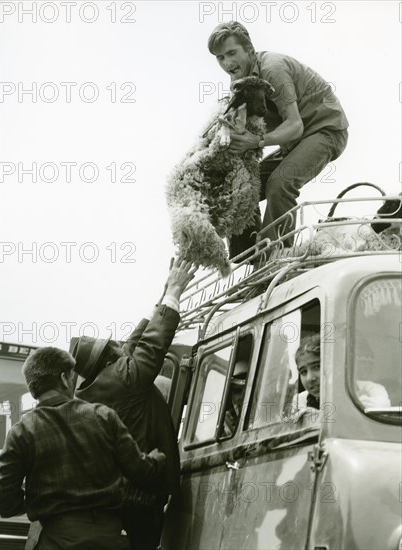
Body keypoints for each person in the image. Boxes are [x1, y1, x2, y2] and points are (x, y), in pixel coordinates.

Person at [70, 258, 197, 550]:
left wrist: (165, 293)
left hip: (120, 493)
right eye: (111, 347)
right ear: (107, 359)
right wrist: (175, 292)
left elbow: (134, 343)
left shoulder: (103, 382)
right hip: (139, 495)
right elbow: (152, 346)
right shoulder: (124, 377)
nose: (118, 346)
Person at [0, 346, 166, 550]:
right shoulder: (103, 416)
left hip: (55, 540)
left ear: (33, 388)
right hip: (108, 539)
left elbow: (5, 504)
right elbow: (141, 472)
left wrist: (41, 501)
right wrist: (156, 459)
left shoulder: (21, 432)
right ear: (64, 378)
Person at [207, 21, 349, 256]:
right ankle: (250, 255)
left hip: (324, 130)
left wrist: (256, 142)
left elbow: (294, 125)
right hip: (294, 141)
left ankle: (278, 254)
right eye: (220, 58)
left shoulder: (273, 69)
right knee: (243, 186)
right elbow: (244, 130)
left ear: (250, 50)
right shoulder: (239, 82)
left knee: (279, 184)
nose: (227, 63)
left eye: (232, 53)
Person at [293, 333, 391, 414]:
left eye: (317, 367)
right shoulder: (301, 400)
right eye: (303, 372)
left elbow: (378, 411)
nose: (310, 378)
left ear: (336, 366)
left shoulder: (370, 390)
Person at [223, 360, 248, 437]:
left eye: (247, 390)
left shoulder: (267, 417)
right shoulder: (223, 425)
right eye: (237, 391)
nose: (242, 397)